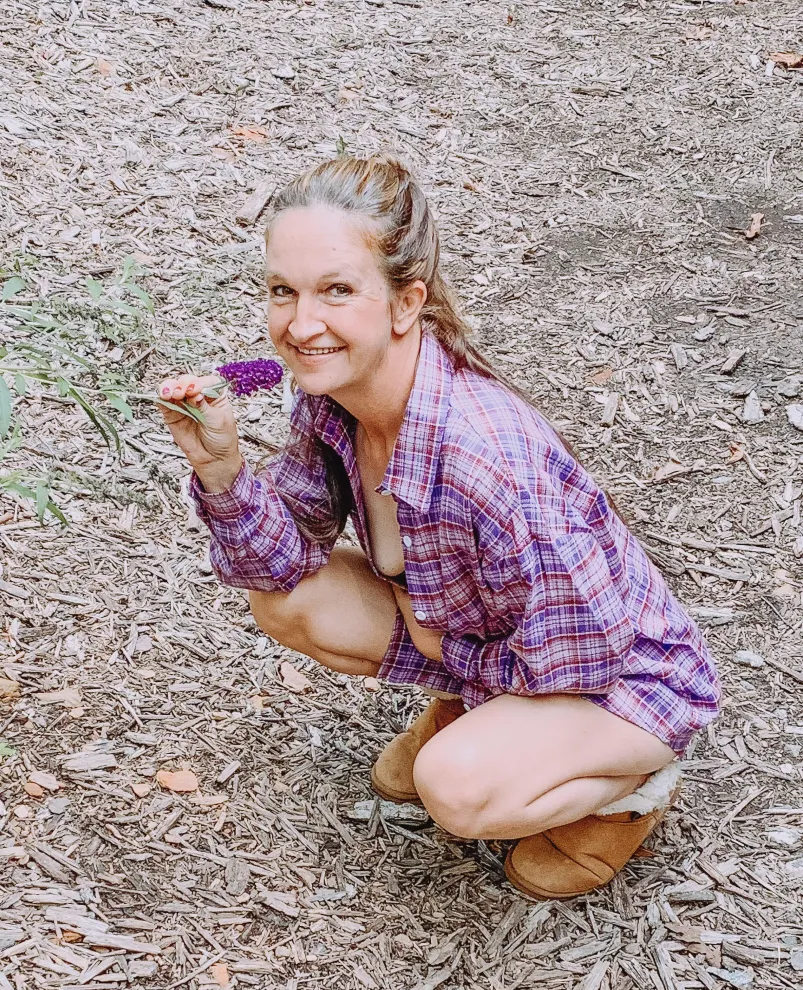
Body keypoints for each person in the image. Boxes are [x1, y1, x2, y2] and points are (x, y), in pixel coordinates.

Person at [156, 156, 720, 900]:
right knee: (288, 600)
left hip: (621, 679)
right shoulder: (333, 401)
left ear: (404, 301)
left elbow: (584, 655)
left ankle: (631, 792)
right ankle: (478, 712)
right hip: (490, 639)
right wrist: (224, 471)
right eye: (281, 291)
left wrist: (440, 647)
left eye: (335, 291)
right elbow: (280, 563)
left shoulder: (482, 458)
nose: (298, 324)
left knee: (453, 790)